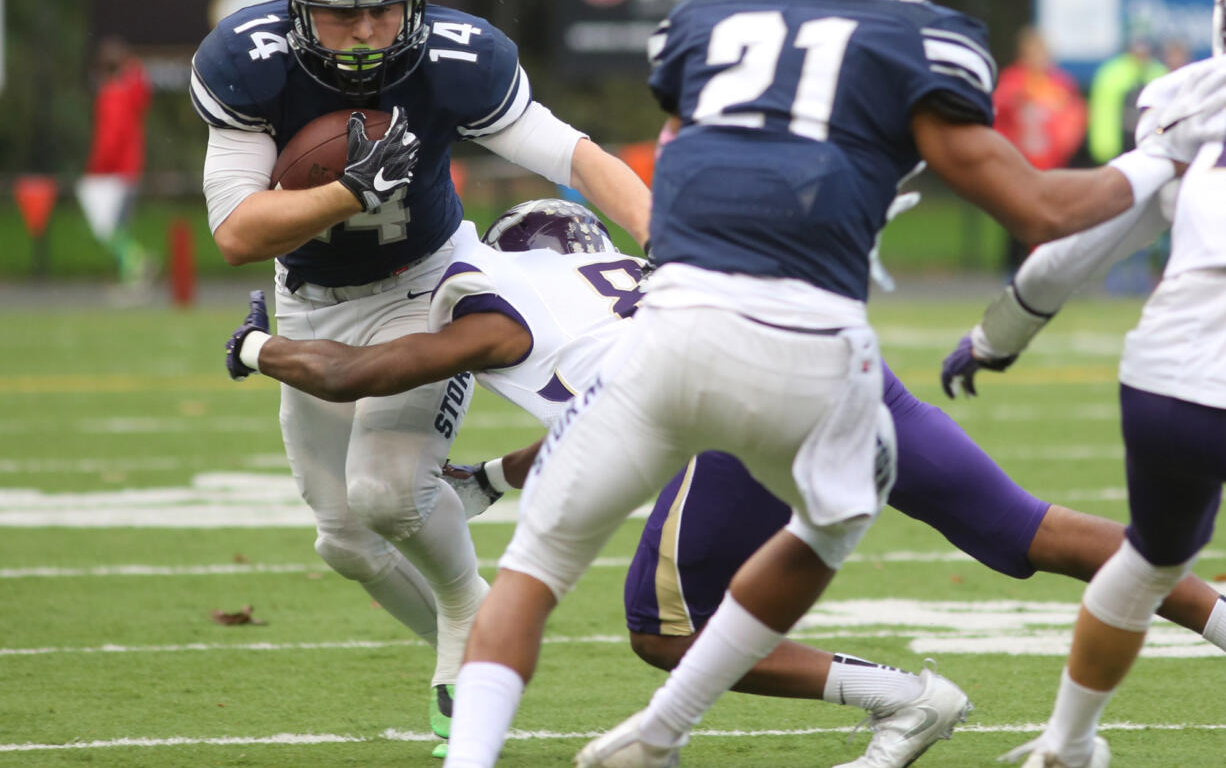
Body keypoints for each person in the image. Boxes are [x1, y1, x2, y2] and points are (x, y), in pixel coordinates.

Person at [432, 0, 1221, 767]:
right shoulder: (916, 43)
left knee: (531, 575)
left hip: (669, 334)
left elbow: (721, 158)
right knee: (842, 512)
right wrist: (1162, 157)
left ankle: (497, 756)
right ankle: (665, 729)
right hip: (811, 351)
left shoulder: (703, 26)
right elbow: (1041, 211)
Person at [225, 197, 1226, 768]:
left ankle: (907, 700)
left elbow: (415, 370)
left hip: (725, 406)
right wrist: (491, 473)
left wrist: (261, 344)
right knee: (1024, 530)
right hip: (831, 361)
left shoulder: (490, 295)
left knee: (661, 626)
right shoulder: (619, 272)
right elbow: (593, 402)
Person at [192, 0, 650, 758]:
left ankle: (468, 606)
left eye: (382, 7)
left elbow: (574, 155)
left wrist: (665, 235)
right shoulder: (246, 62)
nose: (364, 30)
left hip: (429, 279)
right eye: (340, 11)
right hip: (312, 295)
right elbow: (235, 232)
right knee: (344, 538)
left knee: (387, 492)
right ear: (297, 9)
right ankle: (458, 610)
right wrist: (347, 191)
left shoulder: (457, 57)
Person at [942, 20, 1226, 768]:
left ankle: (1065, 748)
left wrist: (996, 336)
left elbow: (1080, 246)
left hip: (1171, 378)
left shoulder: (1198, 103)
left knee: (1149, 561)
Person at [992, 26, 1087, 271]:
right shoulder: (1013, 80)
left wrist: (1063, 143)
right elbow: (998, 113)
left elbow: (1073, 118)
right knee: (1017, 220)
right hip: (1019, 163)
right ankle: (1013, 273)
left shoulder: (1059, 83)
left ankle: (1047, 273)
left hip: (1051, 164)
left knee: (1050, 220)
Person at [1086, 23, 1169, 294]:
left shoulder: (1158, 74)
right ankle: (1115, 271)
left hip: (1151, 155)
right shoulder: (1112, 74)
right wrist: (1105, 152)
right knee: (1116, 214)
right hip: (1119, 155)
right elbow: (1103, 114)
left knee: (1152, 215)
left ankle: (1146, 272)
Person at [77, 36, 154, 290]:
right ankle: (133, 268)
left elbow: (110, 137)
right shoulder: (130, 91)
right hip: (130, 167)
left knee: (108, 228)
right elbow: (142, 87)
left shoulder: (111, 95)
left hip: (114, 171)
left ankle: (136, 265)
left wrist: (98, 166)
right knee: (119, 225)